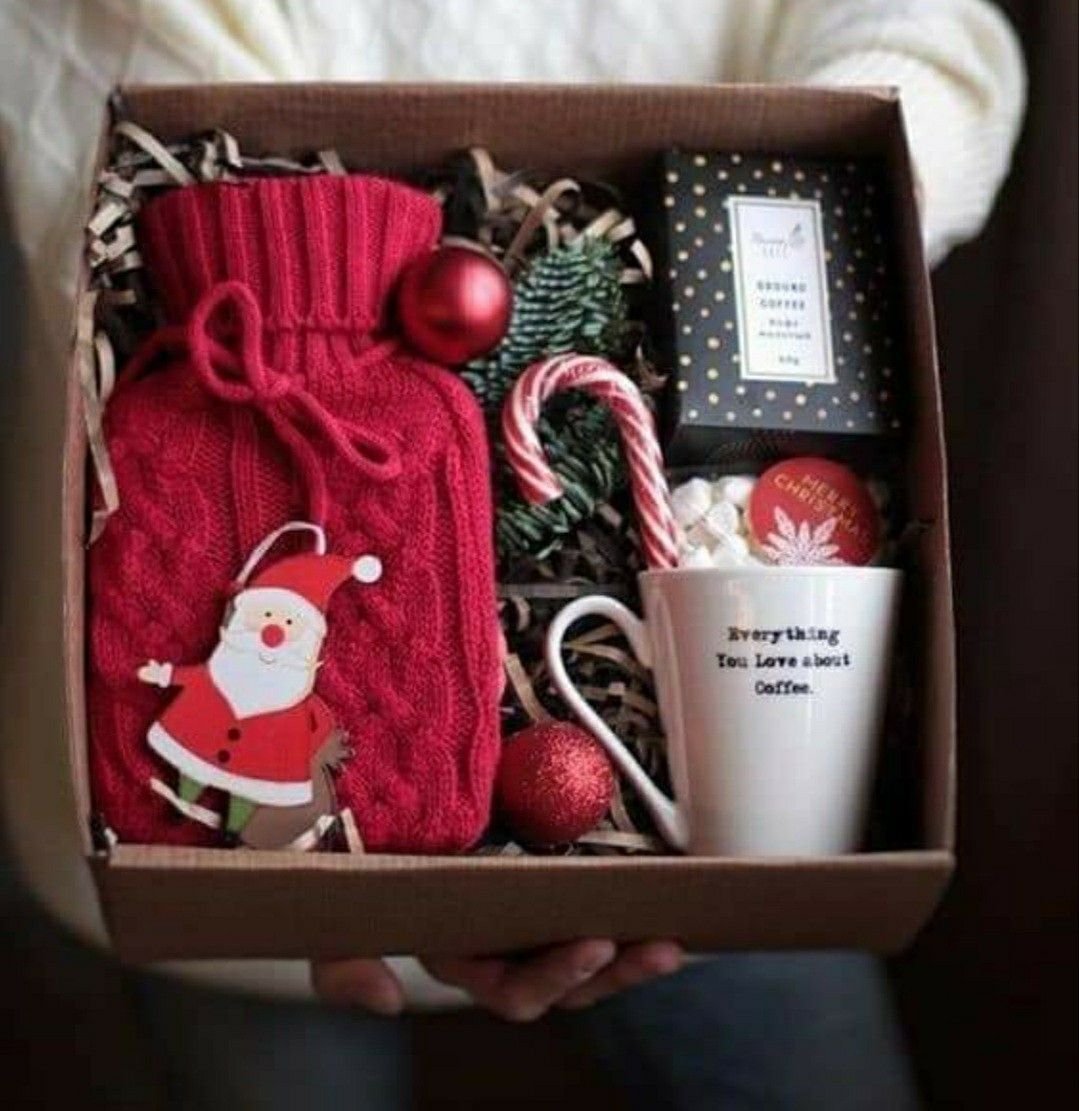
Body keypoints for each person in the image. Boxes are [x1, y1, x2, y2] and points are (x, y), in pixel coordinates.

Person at [0, 1, 1025, 1107]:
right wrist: (341, 874)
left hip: (737, 872)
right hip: (212, 910)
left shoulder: (427, 413)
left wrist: (801, 223)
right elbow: (110, 84)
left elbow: (935, 43)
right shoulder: (198, 419)